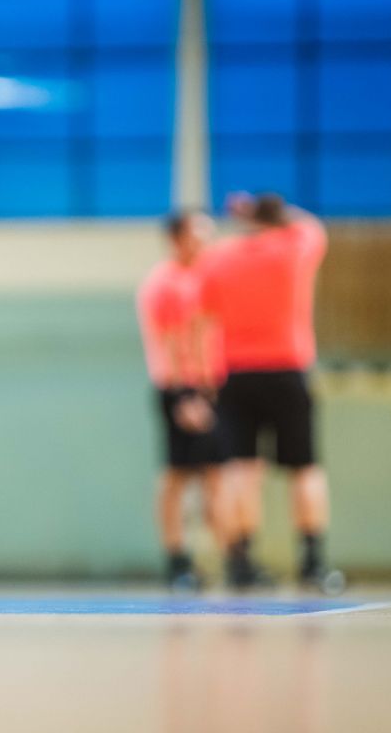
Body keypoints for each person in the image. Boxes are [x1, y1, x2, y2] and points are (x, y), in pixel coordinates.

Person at [194, 192, 344, 593]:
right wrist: (260, 210)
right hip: (286, 369)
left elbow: (203, 316)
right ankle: (313, 563)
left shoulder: (219, 256)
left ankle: (240, 563)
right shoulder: (295, 244)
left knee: (241, 471)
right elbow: (311, 222)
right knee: (305, 469)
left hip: (235, 373)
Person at [136, 210, 230, 592]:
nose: (207, 241)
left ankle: (227, 558)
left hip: (210, 387)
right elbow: (173, 343)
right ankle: (177, 560)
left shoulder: (205, 278)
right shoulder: (165, 283)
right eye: (199, 234)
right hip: (182, 388)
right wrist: (183, 397)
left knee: (216, 476)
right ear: (177, 239)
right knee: (177, 476)